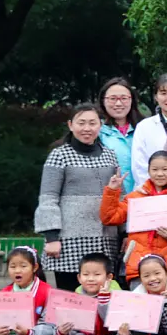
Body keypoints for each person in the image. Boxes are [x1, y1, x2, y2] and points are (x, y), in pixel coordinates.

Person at [36, 104, 121, 290]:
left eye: (92, 123)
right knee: (71, 301)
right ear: (70, 125)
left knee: (104, 296)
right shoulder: (59, 155)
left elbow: (115, 198)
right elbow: (48, 197)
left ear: (100, 126)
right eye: (81, 123)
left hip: (104, 240)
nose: (87, 128)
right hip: (69, 240)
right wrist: (51, 236)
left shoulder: (110, 156)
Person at [100, 151, 167, 283]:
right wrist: (112, 191)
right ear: (148, 171)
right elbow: (110, 217)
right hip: (138, 266)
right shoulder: (136, 197)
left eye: (165, 169)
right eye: (155, 169)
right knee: (139, 303)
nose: (160, 174)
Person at [130, 74, 167, 188]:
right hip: (150, 193)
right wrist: (152, 190)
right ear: (156, 97)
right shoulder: (144, 127)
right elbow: (139, 166)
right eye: (163, 93)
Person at [97, 78, 141, 194]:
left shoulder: (144, 129)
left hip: (143, 197)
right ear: (103, 101)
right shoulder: (96, 132)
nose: (118, 103)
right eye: (112, 99)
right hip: (109, 198)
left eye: (124, 98)